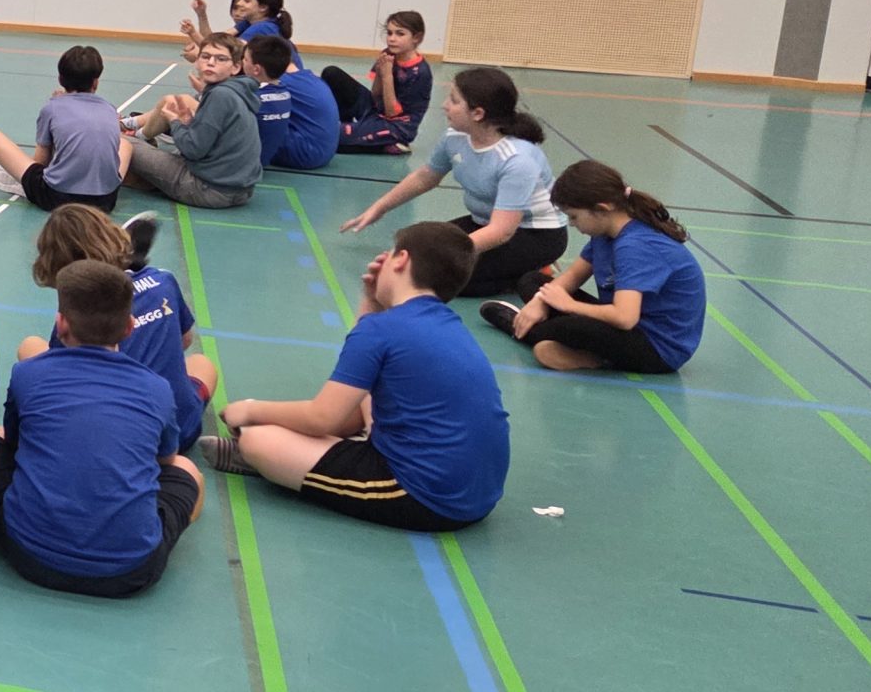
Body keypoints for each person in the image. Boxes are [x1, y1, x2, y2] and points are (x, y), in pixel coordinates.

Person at [204, 222, 509, 532]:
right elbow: (362, 377)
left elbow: (321, 418)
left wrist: (251, 409)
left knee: (259, 440)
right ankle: (300, 460)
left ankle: (270, 463)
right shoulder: (449, 325)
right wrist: (371, 303)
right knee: (355, 405)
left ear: (400, 259)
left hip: (425, 497)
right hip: (477, 493)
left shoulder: (381, 330)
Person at [0, 260, 204, 598]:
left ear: (61, 325)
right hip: (130, 571)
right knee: (189, 470)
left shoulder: (28, 374)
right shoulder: (156, 389)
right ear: (130, 327)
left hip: (30, 557)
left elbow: (15, 442)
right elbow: (165, 459)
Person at [342, 66, 567, 297]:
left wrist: (448, 256)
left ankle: (534, 271)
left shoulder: (516, 159)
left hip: (534, 235)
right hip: (483, 222)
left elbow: (502, 231)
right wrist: (379, 208)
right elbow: (425, 177)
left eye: (454, 100)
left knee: (443, 280)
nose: (444, 105)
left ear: (477, 114)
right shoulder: (455, 136)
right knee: (412, 248)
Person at [480, 159, 705, 373]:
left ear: (601, 209)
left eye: (574, 217)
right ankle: (574, 348)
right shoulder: (605, 233)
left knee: (569, 327)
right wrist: (541, 302)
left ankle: (520, 327)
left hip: (656, 348)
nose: (572, 224)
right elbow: (572, 277)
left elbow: (625, 318)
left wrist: (569, 306)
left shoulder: (635, 246)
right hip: (625, 325)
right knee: (533, 282)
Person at [33, 206, 214, 449]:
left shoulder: (75, 317)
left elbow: (65, 377)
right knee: (202, 363)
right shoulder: (164, 281)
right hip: (181, 428)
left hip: (120, 438)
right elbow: (185, 341)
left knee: (31, 348)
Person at [123, 33, 261, 209]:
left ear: (235, 67)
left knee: (122, 142)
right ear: (197, 61)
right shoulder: (238, 92)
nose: (211, 62)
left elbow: (193, 150)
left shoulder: (220, 95)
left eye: (220, 59)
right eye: (205, 57)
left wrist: (175, 122)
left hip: (208, 190)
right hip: (240, 190)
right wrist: (188, 121)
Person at [0, 45, 128, 211]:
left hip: (56, 197)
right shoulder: (109, 109)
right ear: (95, 82)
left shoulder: (52, 108)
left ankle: (25, 186)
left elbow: (41, 161)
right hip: (105, 202)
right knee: (126, 145)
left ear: (61, 79)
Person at [329, 11, 433, 154]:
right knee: (332, 73)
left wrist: (387, 76)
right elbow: (376, 95)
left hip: (395, 125)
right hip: (377, 111)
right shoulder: (389, 54)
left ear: (416, 37)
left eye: (400, 34)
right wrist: (380, 72)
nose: (392, 39)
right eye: (389, 33)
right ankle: (349, 127)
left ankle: (389, 143)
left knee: (330, 137)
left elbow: (392, 113)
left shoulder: (420, 72)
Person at [243, 35, 340, 171]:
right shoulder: (311, 78)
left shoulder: (278, 85)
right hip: (325, 150)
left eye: (245, 59)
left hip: (306, 153)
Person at [183, 0, 300, 69]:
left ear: (263, 7)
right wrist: (201, 14)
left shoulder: (263, 28)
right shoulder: (250, 22)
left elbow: (226, 53)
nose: (239, 3)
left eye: (246, 0)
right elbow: (214, 41)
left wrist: (200, 53)